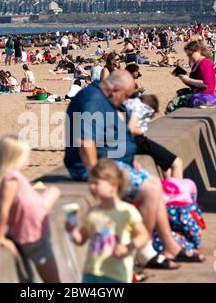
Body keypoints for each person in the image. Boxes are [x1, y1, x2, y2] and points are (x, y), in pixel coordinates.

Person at [64, 70, 205, 269]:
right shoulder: (92, 101)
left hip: (115, 163)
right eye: (127, 94)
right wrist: (97, 176)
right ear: (114, 90)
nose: (128, 100)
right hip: (94, 168)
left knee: (155, 184)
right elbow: (86, 143)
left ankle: (170, 246)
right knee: (150, 190)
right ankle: (144, 251)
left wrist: (129, 160)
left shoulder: (104, 97)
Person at [0, 135, 61, 283]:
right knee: (54, 280)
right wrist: (0, 236)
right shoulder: (12, 179)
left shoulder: (10, 177)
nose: (27, 161)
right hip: (34, 236)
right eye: (25, 157)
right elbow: (4, 209)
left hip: (33, 229)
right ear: (16, 158)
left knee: (54, 191)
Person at [65, 159, 148, 283]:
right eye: (90, 183)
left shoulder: (127, 211)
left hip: (116, 275)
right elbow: (81, 240)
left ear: (113, 185)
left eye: (96, 183)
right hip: (91, 273)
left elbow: (143, 235)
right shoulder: (92, 212)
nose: (91, 187)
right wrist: (72, 230)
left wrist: (128, 248)